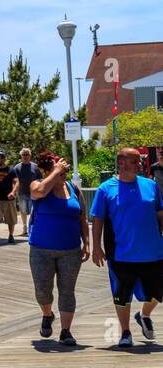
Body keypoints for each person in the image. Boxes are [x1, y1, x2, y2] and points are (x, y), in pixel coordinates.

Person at [90, 147, 163, 349]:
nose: (139, 164)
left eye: (140, 161)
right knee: (122, 296)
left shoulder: (150, 185)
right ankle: (125, 331)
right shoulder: (106, 189)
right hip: (121, 253)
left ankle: (144, 314)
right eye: (135, 161)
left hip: (154, 251)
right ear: (121, 163)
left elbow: (160, 214)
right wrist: (96, 247)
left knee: (158, 293)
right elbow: (98, 219)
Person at [28, 152, 89, 346]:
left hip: (70, 250)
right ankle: (47, 314)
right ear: (47, 170)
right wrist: (54, 173)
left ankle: (66, 331)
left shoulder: (74, 190)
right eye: (59, 169)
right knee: (42, 291)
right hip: (41, 249)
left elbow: (82, 217)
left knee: (67, 291)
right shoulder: (38, 185)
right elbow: (38, 193)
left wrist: (86, 243)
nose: (64, 172)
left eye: (65, 169)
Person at [12, 148, 40, 237]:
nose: (25, 156)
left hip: (33, 193)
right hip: (21, 193)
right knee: (23, 211)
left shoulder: (35, 167)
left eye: (27, 154)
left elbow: (40, 179)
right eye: (23, 154)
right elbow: (14, 181)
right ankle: (24, 228)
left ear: (30, 156)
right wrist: (14, 192)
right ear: (21, 156)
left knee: (33, 211)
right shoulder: (17, 167)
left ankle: (33, 228)